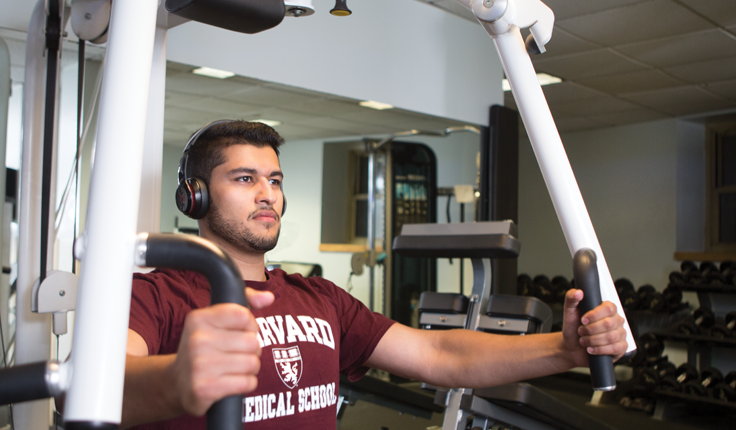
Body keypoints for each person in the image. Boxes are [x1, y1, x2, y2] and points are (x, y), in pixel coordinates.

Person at [122, 120, 627, 429]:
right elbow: (101, 384)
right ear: (196, 196)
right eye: (245, 178)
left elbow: (439, 353)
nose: (267, 193)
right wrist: (177, 378)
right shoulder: (157, 295)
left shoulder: (319, 298)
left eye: (274, 179)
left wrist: (562, 351)